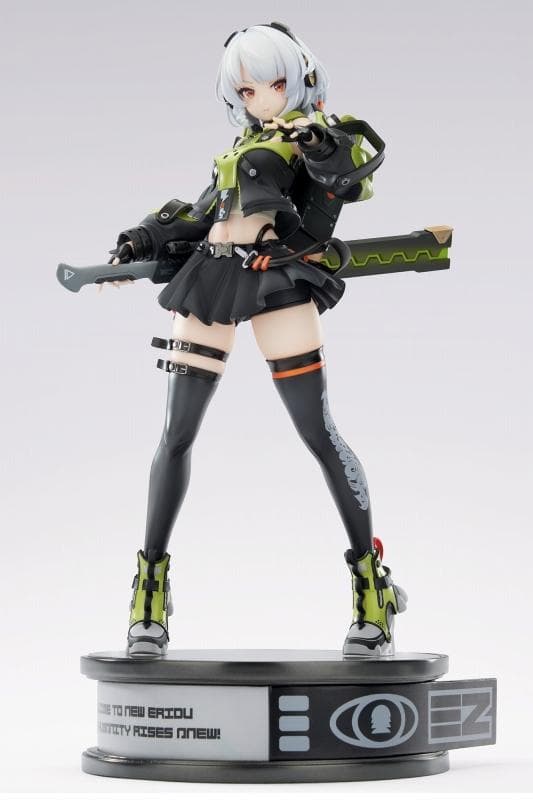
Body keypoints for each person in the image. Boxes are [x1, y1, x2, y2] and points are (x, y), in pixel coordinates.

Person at [106, 22, 407, 657]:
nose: (262, 98)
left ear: (298, 77)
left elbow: (353, 171)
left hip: (277, 281)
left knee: (317, 432)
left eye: (272, 83)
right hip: (212, 279)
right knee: (176, 434)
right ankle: (149, 592)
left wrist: (316, 139)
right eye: (246, 90)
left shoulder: (320, 134)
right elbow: (202, 212)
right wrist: (142, 239)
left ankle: (372, 591)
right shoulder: (243, 145)